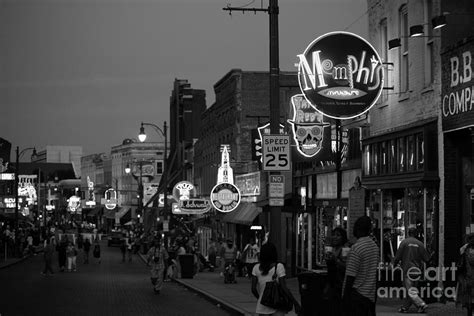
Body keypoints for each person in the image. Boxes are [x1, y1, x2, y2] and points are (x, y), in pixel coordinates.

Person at [342, 216, 379, 316]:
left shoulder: (356, 248)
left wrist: (345, 298)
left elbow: (350, 276)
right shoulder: (374, 247)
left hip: (357, 294)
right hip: (370, 294)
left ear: (357, 229)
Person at [251, 242, 301, 315]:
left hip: (262, 306)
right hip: (277, 305)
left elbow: (253, 289)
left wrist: (260, 298)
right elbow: (284, 287)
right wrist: (295, 303)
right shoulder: (279, 266)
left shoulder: (256, 268)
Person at [394, 227, 431, 313]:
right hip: (417, 270)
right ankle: (405, 307)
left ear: (408, 233)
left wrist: (394, 264)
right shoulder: (420, 244)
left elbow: (398, 257)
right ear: (416, 234)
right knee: (411, 289)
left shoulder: (404, 243)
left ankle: (421, 304)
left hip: (407, 270)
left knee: (410, 290)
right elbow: (427, 259)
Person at [325, 227, 350, 315]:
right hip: (331, 284)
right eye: (333, 235)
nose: (335, 237)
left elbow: (346, 266)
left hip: (340, 285)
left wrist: (336, 260)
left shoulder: (345, 250)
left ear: (343, 237)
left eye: (338, 235)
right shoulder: (332, 249)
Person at [456, 233, 474, 314]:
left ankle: (469, 311)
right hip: (469, 276)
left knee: (468, 297)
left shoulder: (464, 249)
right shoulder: (466, 249)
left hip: (467, 276)